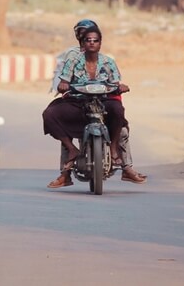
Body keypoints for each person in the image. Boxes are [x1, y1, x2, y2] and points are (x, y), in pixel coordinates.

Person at [42, 19, 147, 188]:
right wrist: (63, 85)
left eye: (95, 39)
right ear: (81, 39)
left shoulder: (108, 62)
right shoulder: (72, 58)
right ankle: (67, 166)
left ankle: (124, 163)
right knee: (51, 114)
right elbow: (62, 79)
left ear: (100, 42)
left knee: (119, 116)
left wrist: (120, 87)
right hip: (78, 102)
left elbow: (115, 82)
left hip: (103, 101)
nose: (90, 42)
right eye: (86, 38)